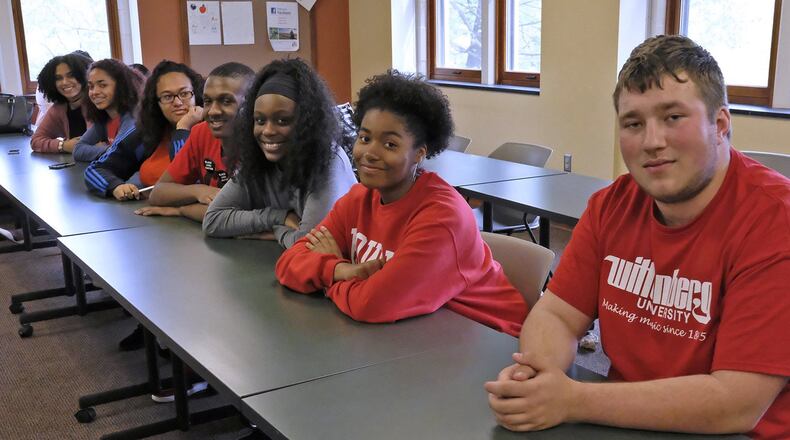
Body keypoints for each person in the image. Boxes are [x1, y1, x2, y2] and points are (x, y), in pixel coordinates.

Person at [485, 35, 789, 439]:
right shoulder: (611, 205)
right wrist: (537, 375)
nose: (652, 142)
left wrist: (572, 400)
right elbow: (557, 314)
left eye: (673, 117)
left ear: (719, 125)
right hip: (626, 421)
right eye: (633, 123)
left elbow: (736, 402)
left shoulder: (775, 222)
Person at [275, 71, 526, 336]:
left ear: (419, 153)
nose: (370, 153)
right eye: (364, 138)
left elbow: (371, 304)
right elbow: (288, 264)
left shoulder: (442, 218)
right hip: (416, 331)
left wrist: (327, 276)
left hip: (488, 339)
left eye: (390, 144)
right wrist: (341, 269)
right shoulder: (358, 198)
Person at [202, 58, 357, 249]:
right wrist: (279, 217)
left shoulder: (328, 162)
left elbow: (309, 246)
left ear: (306, 123)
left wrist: (275, 232)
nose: (267, 131)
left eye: (283, 121)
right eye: (260, 120)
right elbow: (213, 220)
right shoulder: (258, 159)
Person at [133, 62, 254, 222]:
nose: (213, 111)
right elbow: (158, 193)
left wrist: (182, 210)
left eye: (226, 101)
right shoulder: (201, 133)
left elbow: (246, 215)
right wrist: (198, 190)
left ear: (251, 105)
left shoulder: (262, 142)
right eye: (208, 101)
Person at [84, 60, 204, 200]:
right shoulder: (146, 132)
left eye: (185, 93)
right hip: (145, 211)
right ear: (156, 103)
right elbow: (94, 171)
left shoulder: (211, 132)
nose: (177, 102)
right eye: (167, 97)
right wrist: (115, 186)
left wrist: (183, 129)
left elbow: (184, 179)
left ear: (196, 94)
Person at [74, 59, 145, 162]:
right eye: (91, 86)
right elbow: (78, 149)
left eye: (103, 85)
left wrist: (110, 150)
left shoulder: (133, 117)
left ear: (121, 86)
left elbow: (120, 154)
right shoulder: (104, 119)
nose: (94, 92)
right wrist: (109, 149)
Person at [30, 52, 93, 154]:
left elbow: (101, 144)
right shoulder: (59, 108)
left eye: (71, 75)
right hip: (77, 162)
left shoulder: (98, 102)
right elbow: (35, 141)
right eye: (58, 78)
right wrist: (63, 145)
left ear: (84, 76)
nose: (64, 82)